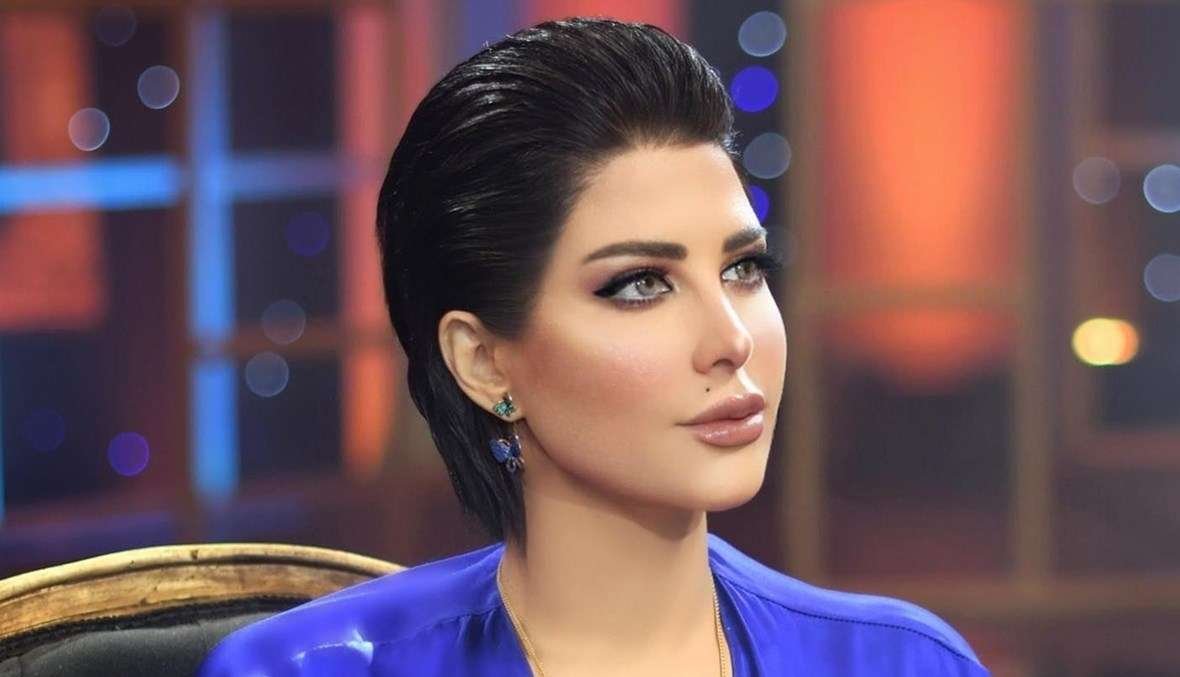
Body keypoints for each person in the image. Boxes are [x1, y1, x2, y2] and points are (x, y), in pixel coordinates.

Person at [198, 16, 990, 677]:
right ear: (482, 361)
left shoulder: (901, 661)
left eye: (743, 269)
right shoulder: (302, 670)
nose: (732, 339)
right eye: (641, 284)